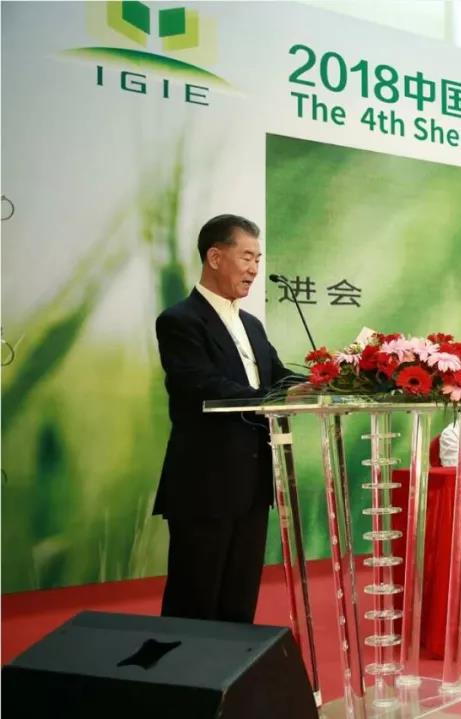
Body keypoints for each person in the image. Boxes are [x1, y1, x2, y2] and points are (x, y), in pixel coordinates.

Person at [154, 214, 297, 623]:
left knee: (239, 602)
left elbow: (277, 376)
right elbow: (201, 385)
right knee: (194, 603)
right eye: (246, 257)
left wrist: (326, 381)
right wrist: (272, 398)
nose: (254, 269)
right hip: (205, 484)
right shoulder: (180, 321)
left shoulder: (251, 324)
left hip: (253, 483)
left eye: (258, 259)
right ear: (215, 257)